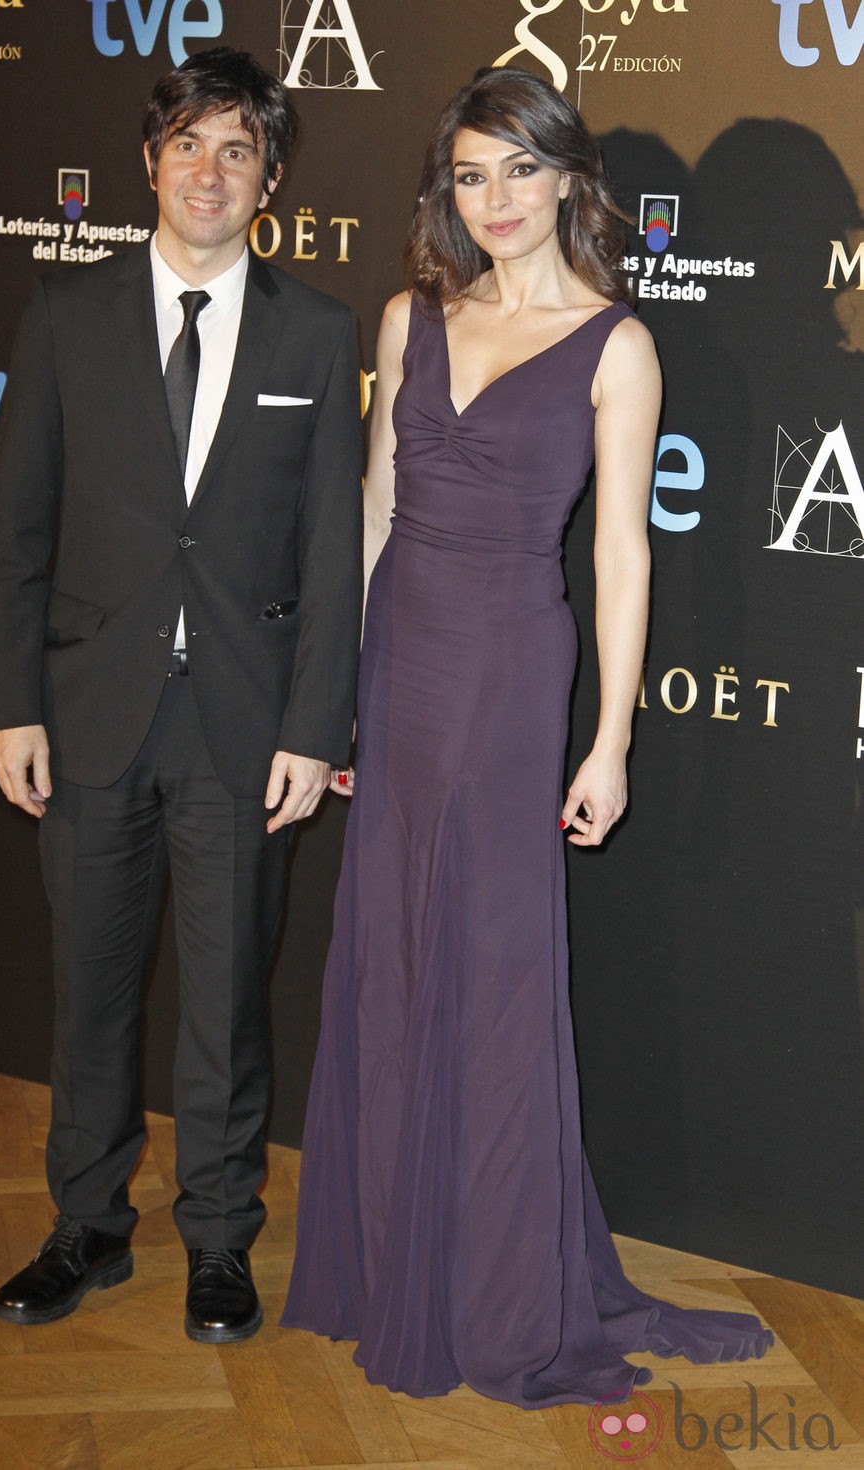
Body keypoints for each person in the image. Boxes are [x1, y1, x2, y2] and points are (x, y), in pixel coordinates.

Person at [281, 67, 772, 1405]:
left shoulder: (618, 345)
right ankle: (396, 1260)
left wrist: (609, 739)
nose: (492, 199)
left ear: (570, 178)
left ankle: (495, 1286)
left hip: (507, 672)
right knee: (388, 956)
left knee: (493, 980)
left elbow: (622, 554)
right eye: (470, 173)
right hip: (400, 667)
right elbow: (376, 511)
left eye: (518, 170)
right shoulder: (407, 319)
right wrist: (338, 700)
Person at [0, 47, 362, 1344]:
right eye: (189, 144)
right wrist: (10, 703)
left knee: (225, 1003)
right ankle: (84, 1223)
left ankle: (217, 1239)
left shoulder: (317, 333)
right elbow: (16, 532)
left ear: (273, 179)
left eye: (239, 150)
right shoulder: (64, 318)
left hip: (243, 731)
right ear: (149, 162)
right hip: (87, 718)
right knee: (86, 993)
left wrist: (316, 727)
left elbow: (329, 551)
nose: (211, 171)